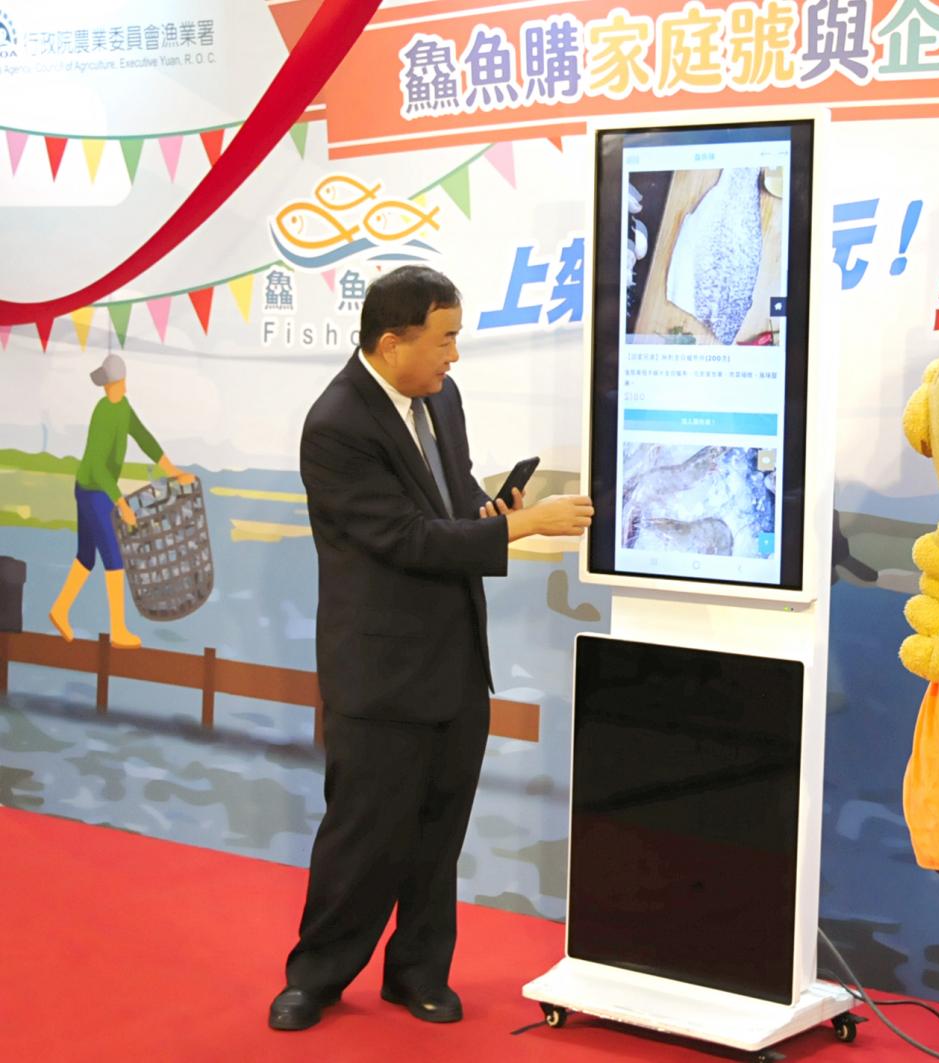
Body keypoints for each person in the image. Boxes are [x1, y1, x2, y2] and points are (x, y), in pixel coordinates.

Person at [268, 265, 592, 1031]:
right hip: (379, 670)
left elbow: (447, 500)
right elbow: (405, 536)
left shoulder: (441, 397)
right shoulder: (336, 424)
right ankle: (316, 974)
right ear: (393, 342)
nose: (455, 355)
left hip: (455, 655)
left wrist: (488, 509)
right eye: (444, 339)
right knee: (362, 833)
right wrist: (526, 525)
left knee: (439, 831)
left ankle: (417, 970)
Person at [48, 353, 195, 649]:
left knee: (86, 557)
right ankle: (117, 630)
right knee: (114, 558)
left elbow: (144, 438)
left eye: (111, 382)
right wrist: (121, 503)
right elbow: (98, 467)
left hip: (88, 488)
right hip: (93, 490)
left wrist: (173, 471)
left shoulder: (123, 408)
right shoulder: (103, 413)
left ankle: (60, 609)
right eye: (109, 383)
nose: (110, 387)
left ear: (118, 382)